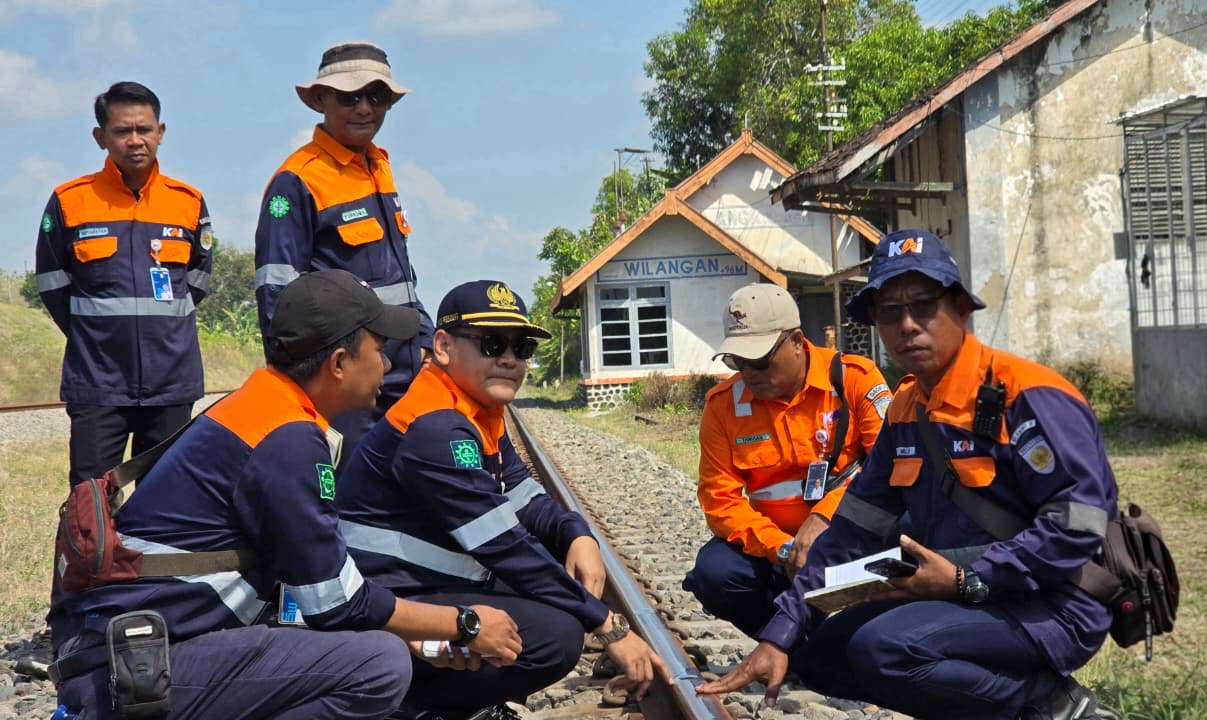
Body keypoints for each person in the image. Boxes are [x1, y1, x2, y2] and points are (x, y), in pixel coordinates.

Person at [48, 270, 522, 720]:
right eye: (379, 349)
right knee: (378, 665)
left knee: (383, 647)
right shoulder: (289, 440)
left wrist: (414, 632)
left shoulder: (265, 408)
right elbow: (337, 604)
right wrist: (464, 623)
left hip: (132, 652)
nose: (389, 364)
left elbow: (305, 578)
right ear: (339, 364)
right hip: (131, 669)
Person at [697, 230, 1119, 720]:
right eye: (889, 313)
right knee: (816, 654)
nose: (908, 326)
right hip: (957, 595)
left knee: (885, 649)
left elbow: (1078, 527)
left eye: (923, 305)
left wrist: (968, 580)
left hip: (1050, 602)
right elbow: (853, 529)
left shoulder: (1028, 395)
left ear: (961, 308)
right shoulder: (907, 406)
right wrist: (780, 633)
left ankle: (1052, 703)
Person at [338, 280, 674, 720]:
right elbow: (503, 544)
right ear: (442, 346)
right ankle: (418, 706)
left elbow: (525, 497)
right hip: (390, 607)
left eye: (522, 348)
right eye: (492, 343)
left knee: (552, 587)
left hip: (419, 582)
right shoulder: (435, 429)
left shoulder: (476, 412)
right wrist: (608, 625)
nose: (510, 359)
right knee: (556, 636)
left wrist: (578, 536)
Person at [26, 80, 214, 679]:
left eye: (145, 129)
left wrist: (160, 334)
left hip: (171, 380)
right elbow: (54, 286)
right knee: (90, 505)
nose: (135, 140)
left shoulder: (188, 201)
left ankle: (161, 616)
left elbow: (198, 280)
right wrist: (96, 339)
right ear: (100, 136)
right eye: (123, 130)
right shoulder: (70, 201)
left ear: (161, 131)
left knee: (168, 503)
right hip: (98, 384)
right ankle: (80, 621)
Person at [255, 41, 433, 464]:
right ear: (321, 100)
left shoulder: (379, 167)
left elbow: (400, 278)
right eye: (350, 97)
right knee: (351, 502)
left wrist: (425, 339)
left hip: (405, 373)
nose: (364, 108)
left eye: (377, 96)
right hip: (346, 384)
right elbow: (278, 296)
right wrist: (305, 387)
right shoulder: (297, 181)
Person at [683, 283, 890, 636]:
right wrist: (782, 548)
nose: (749, 373)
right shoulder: (723, 407)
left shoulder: (854, 380)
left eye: (760, 361)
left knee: (910, 534)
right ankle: (788, 645)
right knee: (714, 573)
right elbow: (721, 502)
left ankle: (859, 636)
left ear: (796, 341)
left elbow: (887, 468)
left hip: (850, 540)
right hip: (775, 555)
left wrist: (825, 517)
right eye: (738, 361)